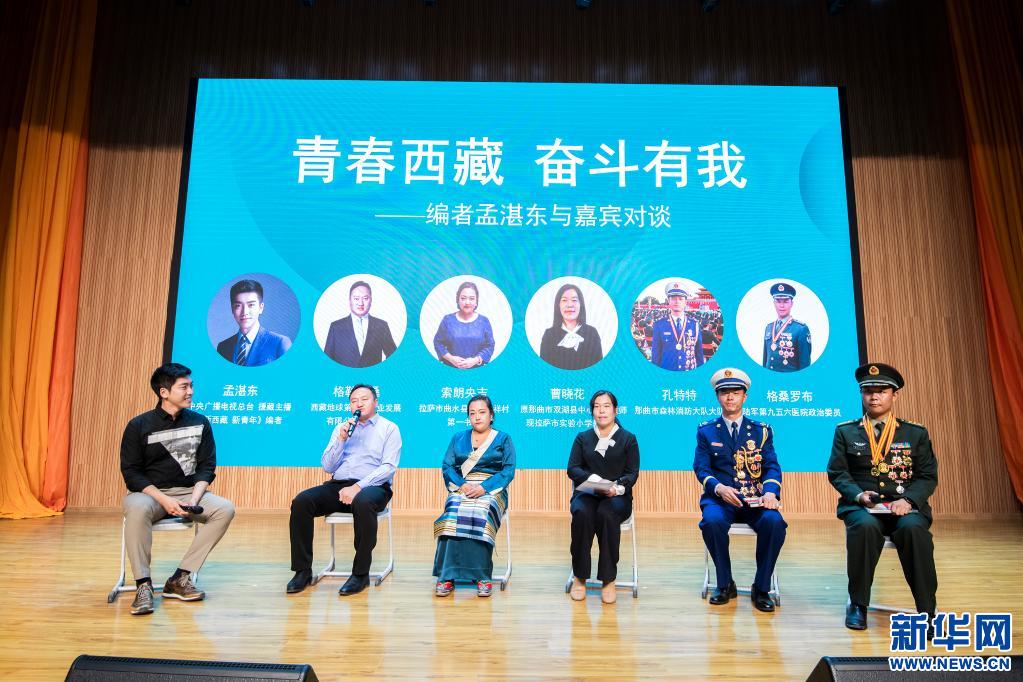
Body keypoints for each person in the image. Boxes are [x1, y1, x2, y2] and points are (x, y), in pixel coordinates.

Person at [828, 363, 938, 632]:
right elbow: (838, 472)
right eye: (868, 391)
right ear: (862, 394)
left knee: (914, 531)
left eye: (881, 391)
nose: (874, 397)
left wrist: (908, 501)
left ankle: (927, 611)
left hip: (905, 508)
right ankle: (858, 604)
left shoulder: (915, 433)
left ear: (894, 395)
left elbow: (927, 476)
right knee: (864, 528)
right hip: (864, 507)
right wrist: (858, 495)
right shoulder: (846, 431)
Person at [119, 363, 236, 616]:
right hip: (149, 495)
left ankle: (180, 577)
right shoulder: (138, 425)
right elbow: (132, 473)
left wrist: (194, 498)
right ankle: (143, 584)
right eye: (184, 387)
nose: (190, 391)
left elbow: (206, 467)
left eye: (191, 386)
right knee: (136, 509)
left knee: (224, 509)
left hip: (187, 492)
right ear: (164, 392)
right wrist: (164, 500)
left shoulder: (200, 422)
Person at [287, 384, 401, 596]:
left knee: (363, 501)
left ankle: (360, 574)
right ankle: (302, 571)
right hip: (339, 486)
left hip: (373, 487)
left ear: (376, 403)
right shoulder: (342, 428)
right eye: (354, 400)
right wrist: (341, 440)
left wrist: (358, 487)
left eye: (364, 399)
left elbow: (388, 467)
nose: (359, 404)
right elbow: (327, 466)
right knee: (301, 502)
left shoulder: (389, 428)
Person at [693, 368, 786, 612]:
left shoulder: (761, 431)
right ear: (717, 396)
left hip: (755, 499)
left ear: (745, 396)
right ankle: (725, 584)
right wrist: (719, 488)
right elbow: (701, 469)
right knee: (712, 521)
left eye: (736, 392)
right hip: (721, 499)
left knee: (774, 523)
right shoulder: (706, 430)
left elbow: (771, 466)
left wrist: (770, 492)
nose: (730, 397)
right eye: (725, 392)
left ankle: (762, 587)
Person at [433, 395, 516, 597]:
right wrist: (462, 485)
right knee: (453, 509)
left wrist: (484, 488)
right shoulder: (458, 438)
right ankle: (447, 575)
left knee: (481, 510)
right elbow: (447, 466)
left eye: (482, 412)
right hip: (463, 486)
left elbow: (508, 471)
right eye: (472, 413)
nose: (477, 417)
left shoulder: (503, 439)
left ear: (491, 415)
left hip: (492, 490)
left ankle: (482, 576)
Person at [567, 390, 640, 604]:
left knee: (607, 514)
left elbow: (632, 473)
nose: (601, 411)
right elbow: (573, 468)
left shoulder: (628, 439)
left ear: (615, 410)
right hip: (587, 493)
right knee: (582, 513)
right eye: (597, 406)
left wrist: (616, 488)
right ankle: (580, 577)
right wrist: (595, 481)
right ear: (592, 411)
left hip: (617, 497)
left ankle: (608, 580)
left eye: (606, 406)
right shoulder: (583, 438)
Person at [215, 279, 292, 366]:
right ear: (232, 309)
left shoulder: (280, 343)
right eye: (238, 306)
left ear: (261, 308)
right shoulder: (223, 347)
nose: (245, 312)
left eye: (251, 305)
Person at [324, 281, 397, 367]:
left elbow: (393, 357)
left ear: (371, 300)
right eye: (356, 298)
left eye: (365, 298)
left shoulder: (381, 326)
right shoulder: (336, 327)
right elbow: (327, 361)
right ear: (349, 300)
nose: (361, 303)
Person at [539, 283, 604, 370]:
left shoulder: (592, 333)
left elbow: (599, 369)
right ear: (558, 305)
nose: (569, 305)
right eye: (564, 300)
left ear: (581, 305)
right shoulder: (549, 335)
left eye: (574, 300)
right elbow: (544, 370)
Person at [433, 281, 496, 369]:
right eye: (463, 298)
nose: (467, 302)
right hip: (450, 369)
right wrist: (450, 358)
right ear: (457, 300)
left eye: (471, 298)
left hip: (477, 370)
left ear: (476, 301)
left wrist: (475, 360)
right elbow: (438, 342)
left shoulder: (484, 321)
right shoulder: (447, 320)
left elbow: (490, 345)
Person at [650, 281, 704, 371]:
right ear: (668, 301)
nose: (677, 301)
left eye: (680, 299)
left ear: (685, 302)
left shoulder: (694, 324)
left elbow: (699, 354)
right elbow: (656, 355)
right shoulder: (659, 324)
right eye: (673, 298)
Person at [762, 282, 811, 372]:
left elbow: (805, 365)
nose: (781, 305)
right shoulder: (768, 327)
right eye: (778, 301)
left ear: (791, 303)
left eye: (786, 301)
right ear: (774, 303)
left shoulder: (801, 329)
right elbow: (765, 360)